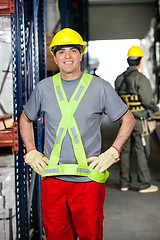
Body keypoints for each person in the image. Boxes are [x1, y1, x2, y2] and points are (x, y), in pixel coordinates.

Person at [19, 28, 135, 240]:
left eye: (73, 50)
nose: (68, 56)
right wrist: (32, 151)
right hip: (53, 181)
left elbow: (128, 119)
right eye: (61, 52)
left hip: (88, 182)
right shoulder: (43, 88)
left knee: (90, 235)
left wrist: (113, 152)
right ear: (54, 57)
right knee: (55, 236)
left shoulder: (100, 87)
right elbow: (25, 119)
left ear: (81, 54)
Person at [115, 46, 160, 193]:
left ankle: (124, 183)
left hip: (124, 121)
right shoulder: (141, 79)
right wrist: (156, 109)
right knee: (141, 150)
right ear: (140, 61)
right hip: (140, 121)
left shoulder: (119, 79)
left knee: (125, 151)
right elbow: (147, 101)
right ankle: (144, 184)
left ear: (128, 61)